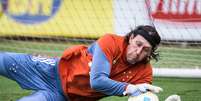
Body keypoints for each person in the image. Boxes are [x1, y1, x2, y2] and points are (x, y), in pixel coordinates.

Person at [0, 25, 163, 101]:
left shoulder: (144, 73)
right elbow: (97, 81)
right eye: (138, 44)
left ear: (151, 53)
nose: (138, 52)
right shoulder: (111, 42)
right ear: (131, 38)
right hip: (49, 70)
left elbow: (141, 99)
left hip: (63, 97)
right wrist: (128, 88)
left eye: (146, 50)